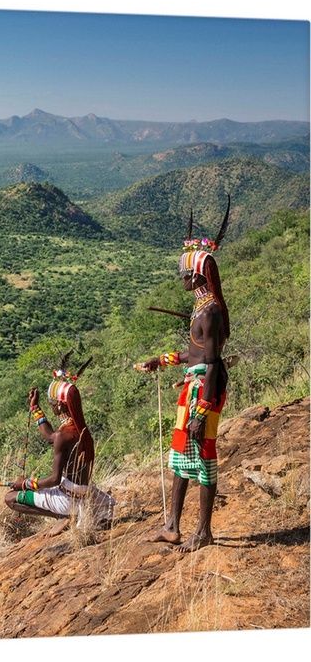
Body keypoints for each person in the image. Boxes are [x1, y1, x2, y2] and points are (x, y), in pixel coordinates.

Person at [137, 205, 231, 553]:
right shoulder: (203, 306)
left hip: (204, 391)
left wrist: (201, 412)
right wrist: (162, 360)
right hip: (195, 387)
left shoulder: (209, 312)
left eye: (185, 274)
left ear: (198, 276)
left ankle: (203, 531)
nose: (182, 278)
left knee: (203, 457)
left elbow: (211, 364)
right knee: (180, 456)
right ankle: (173, 526)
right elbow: (197, 354)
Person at [5, 356, 116, 535]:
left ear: (59, 406)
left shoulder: (64, 435)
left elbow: (55, 479)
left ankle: (61, 516)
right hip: (82, 492)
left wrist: (25, 484)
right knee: (40, 478)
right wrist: (35, 408)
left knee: (10, 498)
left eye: (52, 404)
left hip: (69, 498)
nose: (51, 407)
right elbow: (50, 436)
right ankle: (64, 513)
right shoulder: (78, 428)